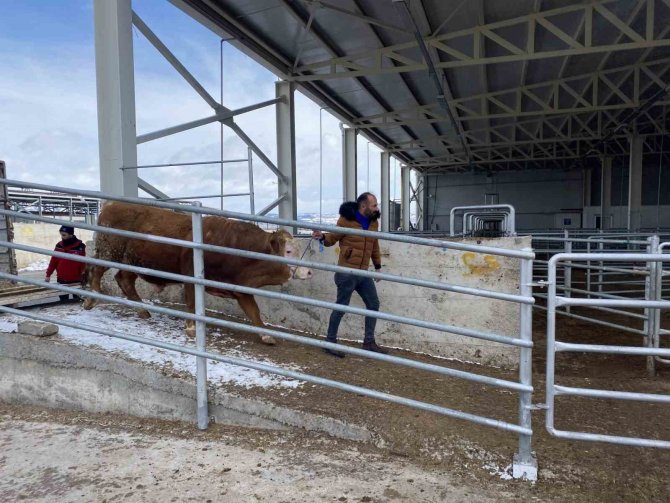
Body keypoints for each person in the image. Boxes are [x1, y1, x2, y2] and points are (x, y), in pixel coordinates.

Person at [312, 192, 387, 357]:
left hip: (363, 272)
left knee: (373, 305)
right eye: (374, 205)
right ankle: (329, 342)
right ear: (363, 206)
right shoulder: (346, 220)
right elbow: (332, 238)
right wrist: (322, 237)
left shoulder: (374, 223)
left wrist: (378, 266)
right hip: (346, 272)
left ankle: (368, 342)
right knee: (341, 307)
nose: (377, 208)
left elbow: (374, 245)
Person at [45, 225, 87, 301]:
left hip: (76, 281)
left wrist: (84, 277)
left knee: (78, 302)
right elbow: (53, 261)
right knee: (63, 303)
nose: (62, 237)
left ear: (71, 234)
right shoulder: (59, 246)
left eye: (64, 235)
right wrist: (48, 275)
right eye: (61, 234)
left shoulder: (80, 247)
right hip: (62, 281)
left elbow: (83, 264)